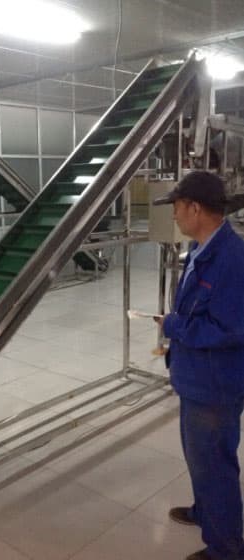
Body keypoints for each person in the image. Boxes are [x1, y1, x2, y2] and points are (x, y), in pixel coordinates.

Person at [153, 171, 244, 560]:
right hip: (197, 378)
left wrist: (174, 326)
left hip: (215, 385)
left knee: (214, 465)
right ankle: (206, 511)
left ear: (194, 208)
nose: (173, 215)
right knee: (200, 458)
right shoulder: (201, 249)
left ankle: (226, 549)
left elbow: (229, 329)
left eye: (176, 207)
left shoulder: (231, 260)